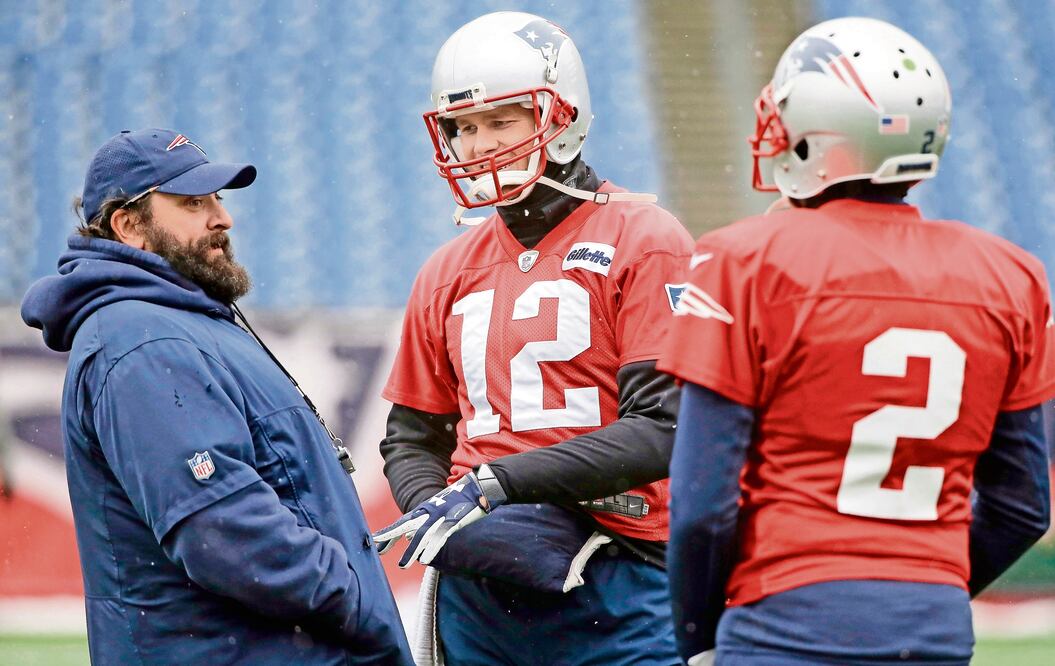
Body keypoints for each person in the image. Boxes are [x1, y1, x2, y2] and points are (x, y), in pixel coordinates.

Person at [658, 16, 1054, 666]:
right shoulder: (1009, 275)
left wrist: (698, 640)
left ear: (818, 138)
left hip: (781, 621)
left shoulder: (745, 259)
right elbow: (1020, 509)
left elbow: (702, 504)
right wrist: (919, 592)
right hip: (932, 630)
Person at [20, 128, 412, 665]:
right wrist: (355, 597)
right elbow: (222, 533)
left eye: (216, 199)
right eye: (191, 203)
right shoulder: (141, 339)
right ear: (129, 226)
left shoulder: (179, 322)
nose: (221, 218)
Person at [372, 11, 693, 665]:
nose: (476, 144)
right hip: (482, 587)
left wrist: (500, 484)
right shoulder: (447, 268)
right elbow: (411, 435)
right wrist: (446, 517)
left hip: (618, 570)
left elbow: (664, 427)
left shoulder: (643, 236)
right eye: (461, 127)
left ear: (561, 117)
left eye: (499, 120)